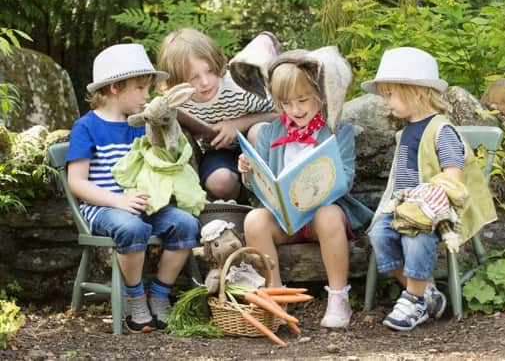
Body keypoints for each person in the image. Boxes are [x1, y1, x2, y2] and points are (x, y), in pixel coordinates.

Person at [66, 43, 201, 333]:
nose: (147, 96)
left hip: (142, 204)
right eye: (140, 89)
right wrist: (117, 200)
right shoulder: (86, 127)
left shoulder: (142, 124)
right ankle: (134, 295)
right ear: (115, 87)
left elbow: (160, 161)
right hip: (102, 207)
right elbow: (76, 182)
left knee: (186, 224)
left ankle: (160, 294)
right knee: (132, 228)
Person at [361, 46, 497, 331]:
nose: (385, 102)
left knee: (416, 234)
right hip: (405, 205)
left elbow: (452, 177)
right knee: (379, 234)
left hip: (436, 209)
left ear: (417, 91)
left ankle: (413, 298)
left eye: (390, 94)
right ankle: (425, 293)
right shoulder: (408, 129)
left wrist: (427, 198)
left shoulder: (442, 130)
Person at [238, 49, 373, 329]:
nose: (295, 110)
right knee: (254, 220)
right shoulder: (271, 133)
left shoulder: (337, 132)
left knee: (328, 214)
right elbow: (261, 184)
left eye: (303, 100)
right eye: (286, 103)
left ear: (320, 96)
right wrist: (249, 172)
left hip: (320, 218)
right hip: (285, 219)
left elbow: (345, 179)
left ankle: (338, 297)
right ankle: (276, 294)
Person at [157, 28, 278, 202]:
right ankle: (240, 206)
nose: (205, 82)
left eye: (210, 71)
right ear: (176, 80)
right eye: (193, 78)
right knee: (218, 182)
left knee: (257, 132)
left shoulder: (239, 87)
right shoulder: (178, 100)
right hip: (220, 151)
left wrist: (237, 124)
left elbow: (279, 113)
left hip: (257, 148)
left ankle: (267, 198)